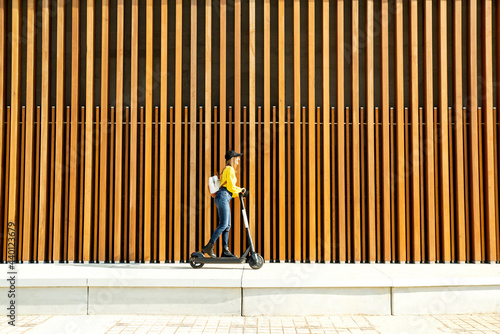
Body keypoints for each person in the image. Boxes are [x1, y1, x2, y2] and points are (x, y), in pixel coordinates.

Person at [202, 150, 246, 258]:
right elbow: (230, 187)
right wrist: (241, 189)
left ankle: (225, 250)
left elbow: (230, 189)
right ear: (232, 159)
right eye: (237, 158)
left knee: (227, 225)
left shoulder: (227, 170)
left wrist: (240, 193)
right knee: (224, 224)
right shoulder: (229, 169)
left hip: (224, 197)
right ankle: (209, 246)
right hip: (223, 196)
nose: (238, 160)